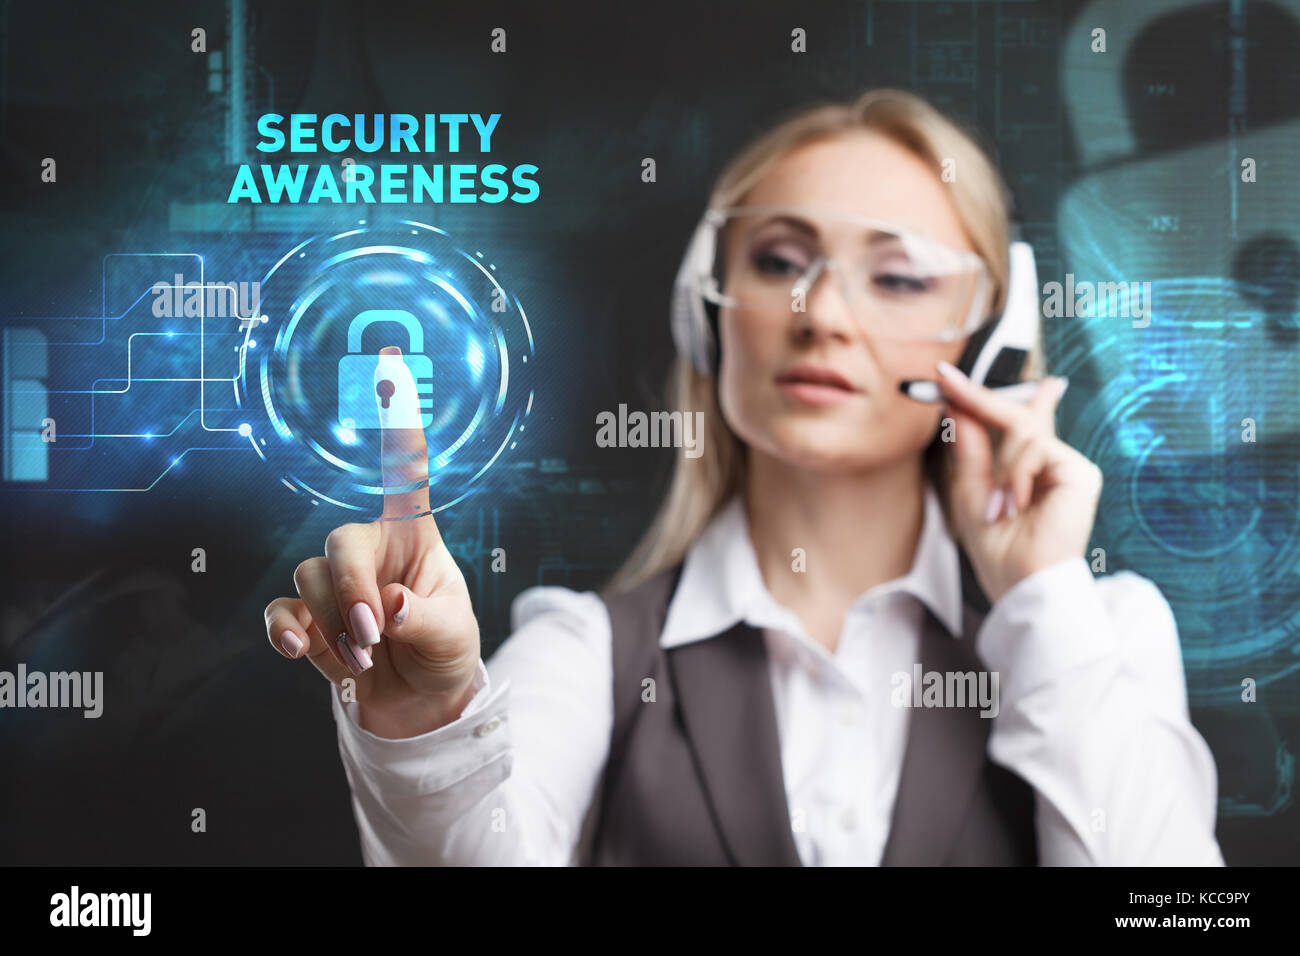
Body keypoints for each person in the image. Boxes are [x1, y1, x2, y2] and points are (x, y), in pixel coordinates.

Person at [263, 88, 1225, 866]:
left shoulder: (1102, 638)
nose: (822, 315)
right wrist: (425, 723)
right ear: (706, 312)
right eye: (779, 260)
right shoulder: (586, 654)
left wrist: (1043, 600)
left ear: (990, 341)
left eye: (898, 276)